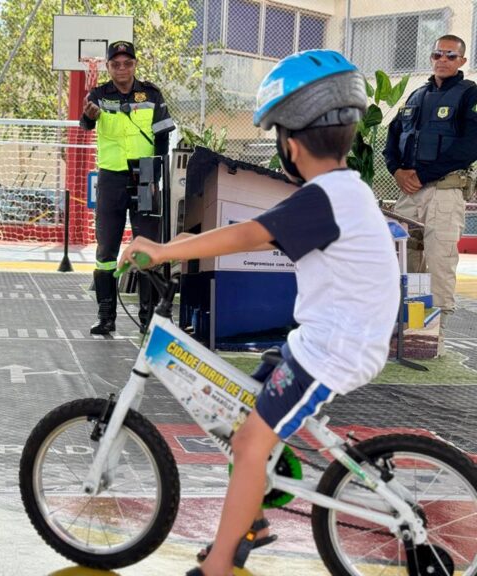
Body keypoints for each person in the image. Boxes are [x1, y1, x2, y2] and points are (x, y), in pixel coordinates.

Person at [119, 50, 400, 576]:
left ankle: (217, 566)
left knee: (250, 443)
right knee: (244, 409)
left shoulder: (321, 198)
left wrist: (163, 249)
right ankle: (253, 520)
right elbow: (277, 235)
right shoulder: (343, 192)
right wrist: (191, 240)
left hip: (332, 350)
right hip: (327, 339)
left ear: (289, 143)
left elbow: (253, 232)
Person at [80, 40, 175, 335]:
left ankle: (149, 317)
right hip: (111, 177)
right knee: (106, 249)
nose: (122, 68)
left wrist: (155, 174)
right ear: (108, 67)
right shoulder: (99, 95)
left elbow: (162, 137)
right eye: (116, 64)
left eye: (127, 63)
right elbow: (85, 124)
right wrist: (89, 116)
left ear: (134, 65)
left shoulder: (152, 94)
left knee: (147, 247)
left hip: (145, 174)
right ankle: (106, 316)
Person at [383, 34, 477, 328]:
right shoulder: (416, 96)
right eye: (438, 55)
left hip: (443, 191)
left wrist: (422, 175)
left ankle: (433, 336)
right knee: (406, 260)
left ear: (462, 61)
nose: (443, 60)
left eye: (450, 56)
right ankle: (411, 327)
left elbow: (470, 145)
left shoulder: (469, 94)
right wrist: (396, 170)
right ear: (431, 58)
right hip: (409, 192)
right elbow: (393, 137)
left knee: (438, 261)